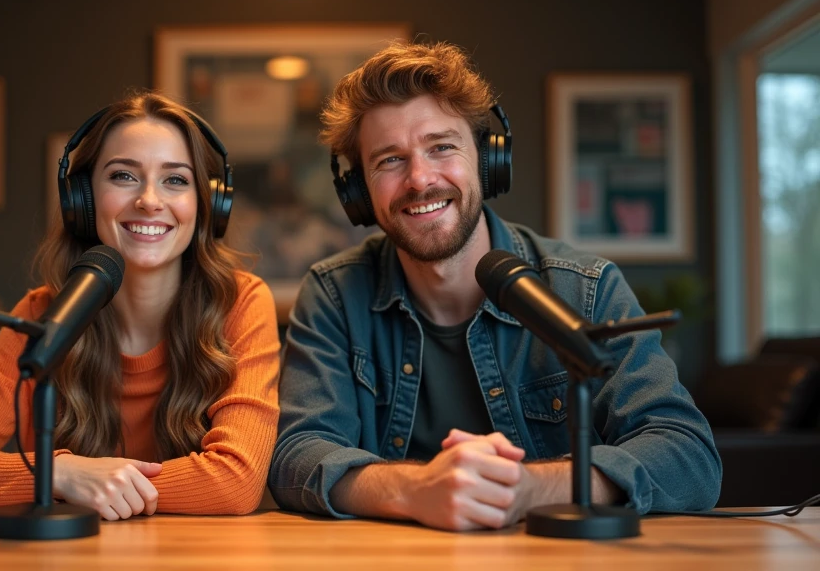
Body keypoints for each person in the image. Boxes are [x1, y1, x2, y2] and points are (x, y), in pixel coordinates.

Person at [268, 42, 721, 531]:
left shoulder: (585, 290)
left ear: (487, 161)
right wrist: (416, 490)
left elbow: (687, 454)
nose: (420, 179)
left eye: (441, 147)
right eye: (389, 161)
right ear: (357, 193)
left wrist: (529, 488)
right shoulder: (335, 294)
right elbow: (297, 455)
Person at [0, 91, 281, 520]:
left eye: (176, 180)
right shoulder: (41, 314)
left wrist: (101, 483)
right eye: (123, 176)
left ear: (207, 205)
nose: (149, 200)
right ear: (81, 201)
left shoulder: (241, 303)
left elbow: (235, 482)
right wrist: (60, 473)